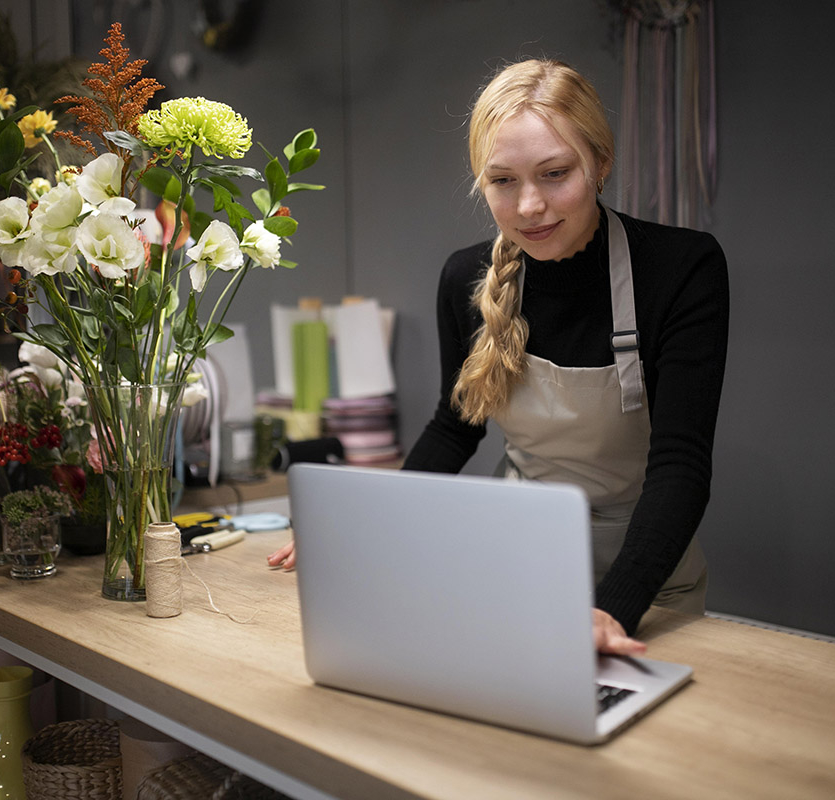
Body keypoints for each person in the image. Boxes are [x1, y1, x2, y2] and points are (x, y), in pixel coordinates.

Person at [268, 59, 728, 656]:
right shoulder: (467, 276)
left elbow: (681, 465)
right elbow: (454, 427)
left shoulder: (678, 269)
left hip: (647, 584)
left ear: (601, 164)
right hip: (517, 568)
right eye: (503, 181)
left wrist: (612, 610)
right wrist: (367, 526)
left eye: (555, 173)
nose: (530, 205)